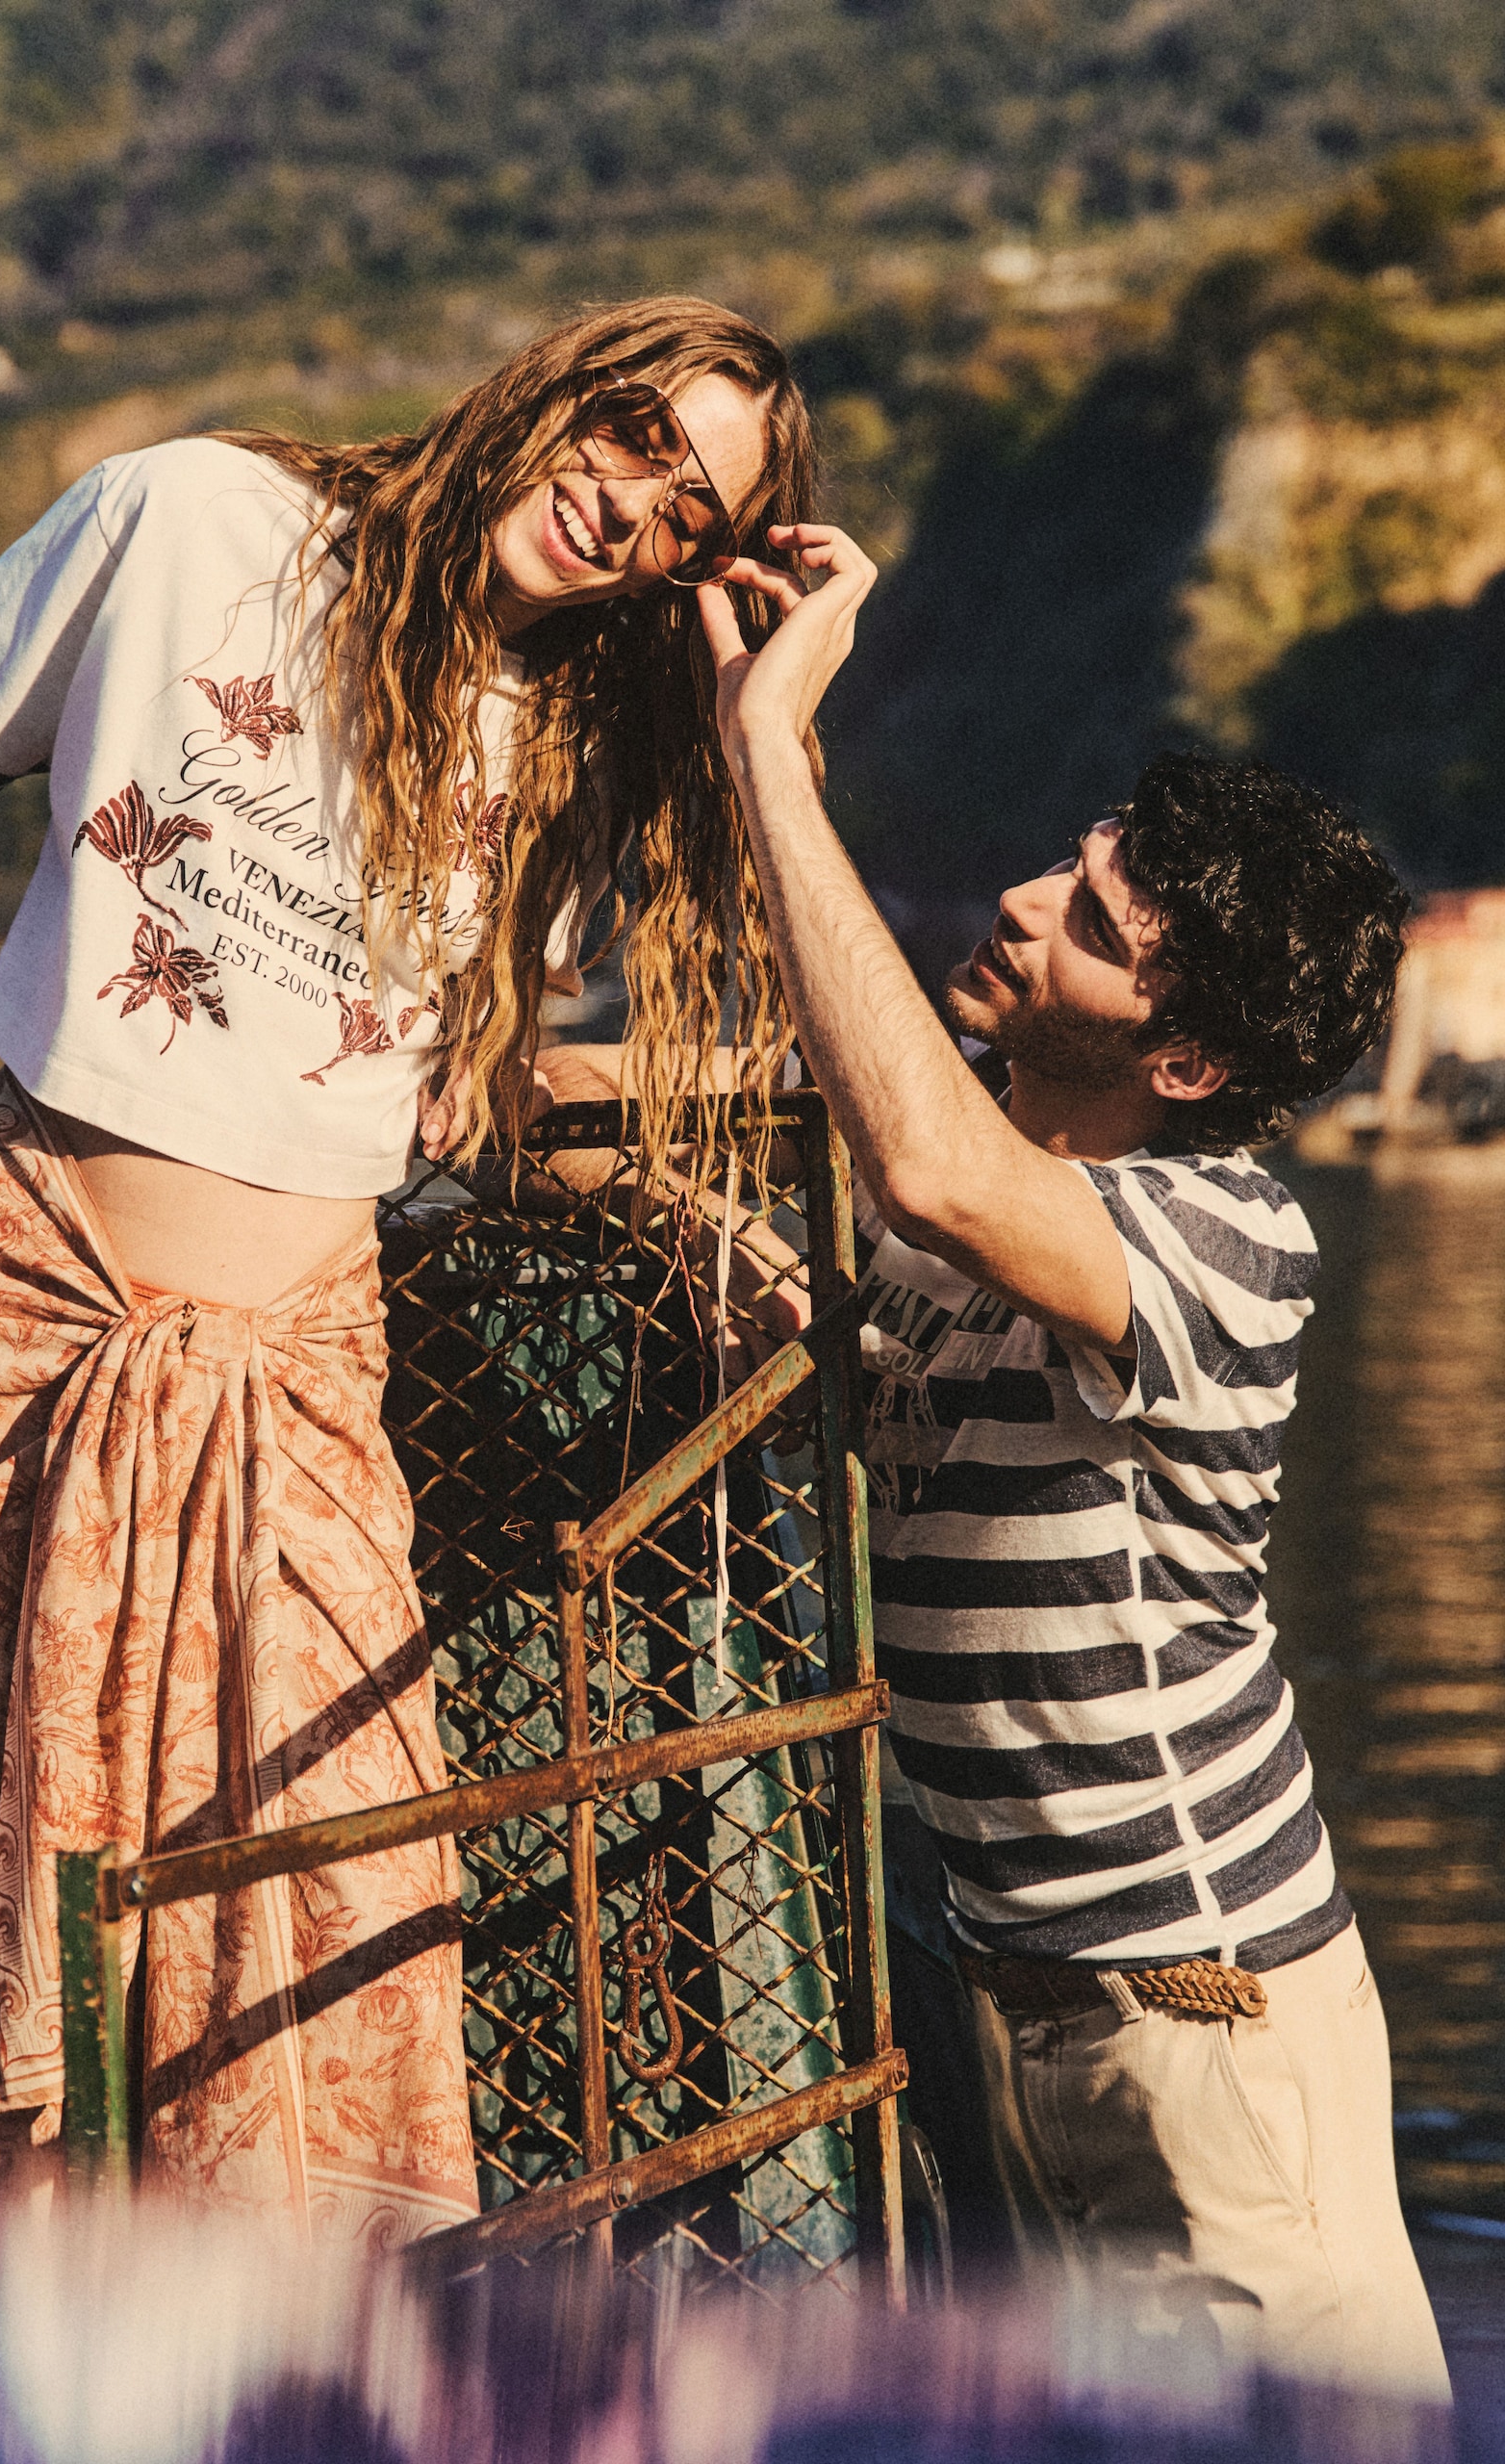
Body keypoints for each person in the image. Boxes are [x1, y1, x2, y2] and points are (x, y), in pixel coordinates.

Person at [0, 297, 815, 2234]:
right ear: (556, 379)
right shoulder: (190, 516)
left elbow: (452, 1068)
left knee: (343, 1912)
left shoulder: (554, 748)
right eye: (629, 432)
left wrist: (655, 1176)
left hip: (298, 1375)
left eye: (691, 513)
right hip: (19, 1320)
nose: (628, 504)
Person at [645, 524, 1447, 2400]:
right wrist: (745, 710)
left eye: (1088, 921)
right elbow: (864, 1065)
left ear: (1183, 1061)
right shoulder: (996, 1187)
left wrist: (771, 743)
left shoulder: (1221, 1238)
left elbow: (919, 1154)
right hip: (1026, 2007)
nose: (1017, 902)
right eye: (1068, 867)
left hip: (1207, 2015)